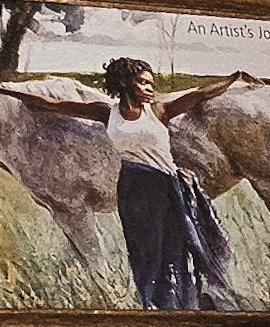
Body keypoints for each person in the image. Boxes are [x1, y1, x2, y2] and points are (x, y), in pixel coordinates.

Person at [1, 58, 253, 309]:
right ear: (125, 83)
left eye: (150, 83)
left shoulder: (159, 111)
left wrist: (233, 79)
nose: (150, 88)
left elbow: (199, 95)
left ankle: (188, 303)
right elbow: (52, 104)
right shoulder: (106, 112)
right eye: (143, 83)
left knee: (178, 249)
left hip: (165, 186)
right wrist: (6, 90)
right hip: (132, 187)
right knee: (143, 252)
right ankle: (153, 305)